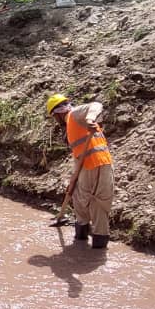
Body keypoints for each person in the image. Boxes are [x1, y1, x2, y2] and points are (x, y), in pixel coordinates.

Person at [47, 94, 114, 249]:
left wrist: (90, 119)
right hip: (85, 167)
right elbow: (79, 154)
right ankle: (80, 238)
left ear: (58, 113)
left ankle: (98, 246)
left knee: (97, 203)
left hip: (98, 165)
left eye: (54, 117)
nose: (55, 121)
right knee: (78, 197)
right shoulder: (71, 123)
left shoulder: (74, 114)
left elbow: (96, 105)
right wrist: (72, 180)